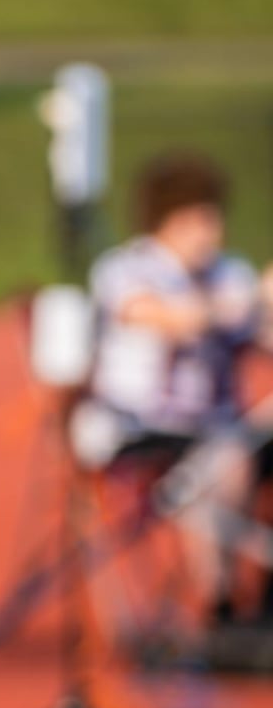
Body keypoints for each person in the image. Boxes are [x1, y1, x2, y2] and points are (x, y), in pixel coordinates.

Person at [75, 149, 273, 631]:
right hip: (143, 429)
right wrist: (251, 299)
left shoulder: (230, 272)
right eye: (202, 219)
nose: (213, 231)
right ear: (171, 220)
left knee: (241, 448)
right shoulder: (126, 271)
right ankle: (220, 609)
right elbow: (169, 319)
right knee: (227, 462)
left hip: (222, 426)